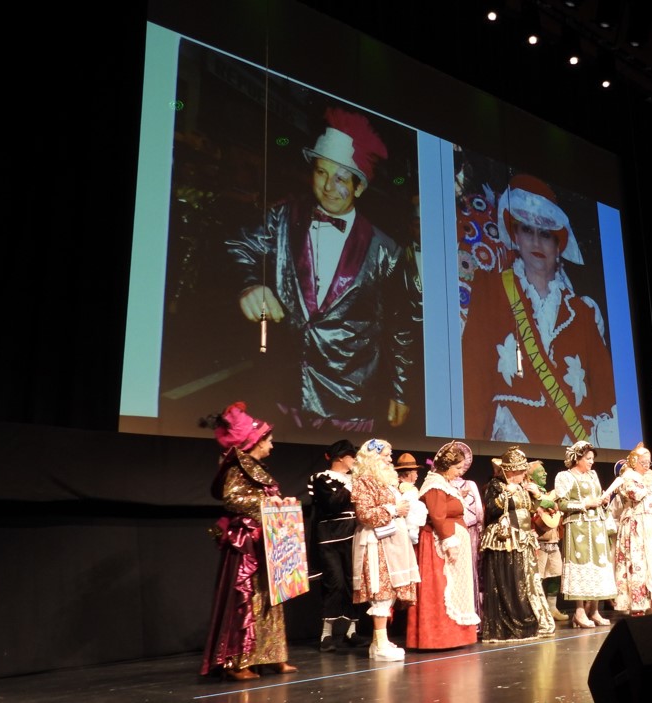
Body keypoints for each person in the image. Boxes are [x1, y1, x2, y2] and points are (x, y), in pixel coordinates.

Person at [227, 105, 420, 432]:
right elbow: (241, 245)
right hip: (284, 390)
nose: (329, 187)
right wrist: (250, 284)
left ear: (359, 186)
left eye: (341, 178)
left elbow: (400, 326)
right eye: (321, 172)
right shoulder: (284, 218)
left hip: (349, 401)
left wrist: (402, 391)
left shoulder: (385, 250)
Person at [460, 173, 618, 447]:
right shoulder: (491, 290)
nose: (536, 242)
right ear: (515, 236)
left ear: (559, 245)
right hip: (511, 431)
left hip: (573, 439)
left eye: (546, 234)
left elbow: (605, 390)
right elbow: (474, 375)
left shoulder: (582, 311)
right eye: (526, 230)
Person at [198, 401, 298, 680]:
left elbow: (265, 498)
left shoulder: (257, 468)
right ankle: (239, 661)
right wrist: (267, 502)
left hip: (265, 539)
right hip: (246, 544)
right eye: (269, 440)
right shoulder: (236, 467)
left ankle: (273, 655)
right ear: (256, 441)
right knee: (247, 598)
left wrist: (282, 503)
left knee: (270, 598)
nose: (272, 445)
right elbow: (233, 499)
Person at [406, 441, 481, 650]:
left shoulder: (444, 483)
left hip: (453, 540)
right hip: (440, 544)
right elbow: (438, 517)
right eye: (457, 468)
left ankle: (457, 636)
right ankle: (439, 637)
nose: (459, 473)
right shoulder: (434, 485)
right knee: (443, 587)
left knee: (456, 588)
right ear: (446, 466)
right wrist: (450, 542)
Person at [350, 438, 420, 660]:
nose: (391, 459)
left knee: (389, 590)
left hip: (393, 541)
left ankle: (379, 641)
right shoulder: (363, 481)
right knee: (380, 590)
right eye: (386, 456)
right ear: (373, 458)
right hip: (376, 542)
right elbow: (366, 515)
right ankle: (379, 645)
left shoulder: (385, 482)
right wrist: (394, 508)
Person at [479, 446, 555, 642]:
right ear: (510, 472)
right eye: (521, 472)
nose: (524, 475)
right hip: (506, 539)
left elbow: (529, 510)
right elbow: (492, 511)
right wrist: (507, 494)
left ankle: (531, 619)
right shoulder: (496, 485)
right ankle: (509, 623)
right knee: (511, 581)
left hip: (523, 538)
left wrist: (536, 495)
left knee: (527, 580)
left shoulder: (522, 486)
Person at [307, 439, 372, 653]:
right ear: (340, 458)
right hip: (331, 539)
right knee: (333, 583)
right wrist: (350, 485)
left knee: (354, 583)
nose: (354, 460)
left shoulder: (355, 480)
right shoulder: (321, 479)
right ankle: (326, 634)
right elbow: (331, 504)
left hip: (354, 536)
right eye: (352, 457)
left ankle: (351, 631)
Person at [553, 440, 617, 628]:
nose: (591, 462)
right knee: (580, 565)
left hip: (597, 526)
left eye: (592, 459)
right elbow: (562, 504)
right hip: (578, 526)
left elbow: (598, 498)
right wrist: (585, 504)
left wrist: (603, 501)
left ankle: (594, 611)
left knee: (598, 566)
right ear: (577, 458)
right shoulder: (564, 477)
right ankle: (580, 612)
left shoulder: (593, 475)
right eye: (588, 459)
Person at [608, 443, 652, 617]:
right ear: (634, 462)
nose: (647, 466)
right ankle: (638, 603)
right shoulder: (627, 478)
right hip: (637, 523)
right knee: (638, 562)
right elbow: (635, 495)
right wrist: (645, 480)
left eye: (649, 463)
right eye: (643, 462)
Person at [527, 460, 569, 622]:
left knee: (555, 574)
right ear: (531, 476)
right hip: (539, 542)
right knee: (539, 576)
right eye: (540, 472)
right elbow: (542, 503)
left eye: (545, 471)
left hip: (553, 541)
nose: (545, 474)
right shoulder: (530, 490)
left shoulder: (545, 492)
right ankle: (538, 609)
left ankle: (552, 607)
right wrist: (551, 504)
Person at [450, 455, 485, 619]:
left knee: (472, 570)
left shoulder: (470, 484)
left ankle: (475, 615)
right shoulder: (444, 484)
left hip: (471, 532)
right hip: (453, 530)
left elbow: (479, 509)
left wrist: (480, 529)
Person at [394, 453, 428, 545]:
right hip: (405, 527)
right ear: (408, 474)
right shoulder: (410, 489)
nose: (417, 475)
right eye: (415, 472)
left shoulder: (395, 485)